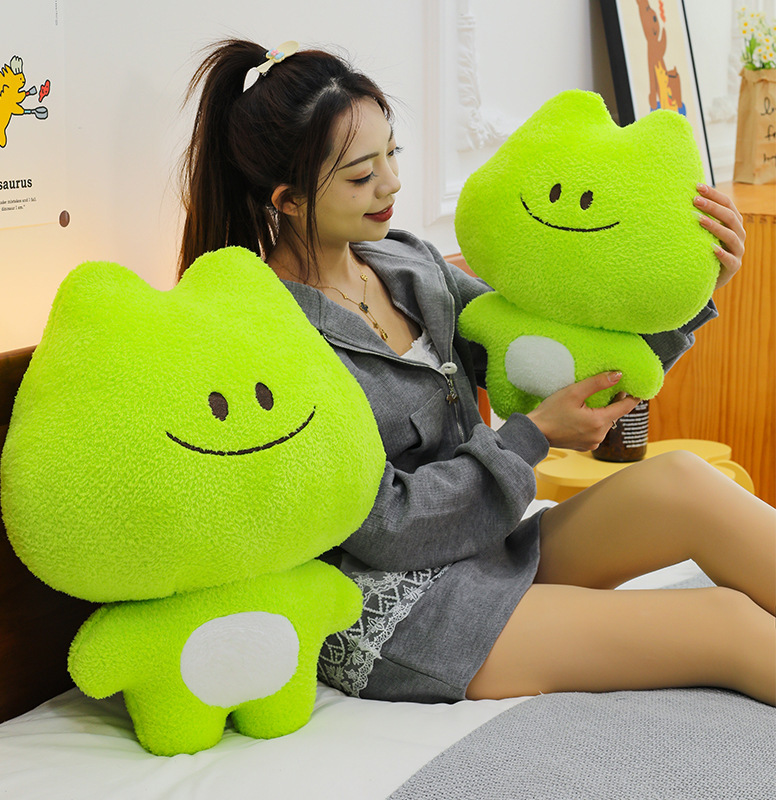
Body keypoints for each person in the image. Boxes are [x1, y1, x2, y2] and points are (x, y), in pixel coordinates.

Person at [178, 39, 775, 706]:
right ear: (288, 200)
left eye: (393, 154)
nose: (391, 184)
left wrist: (691, 290)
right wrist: (532, 437)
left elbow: (546, 361)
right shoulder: (270, 335)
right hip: (400, 610)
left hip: (483, 546)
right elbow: (382, 525)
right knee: (727, 623)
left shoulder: (410, 265)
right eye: (361, 175)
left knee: (681, 483)